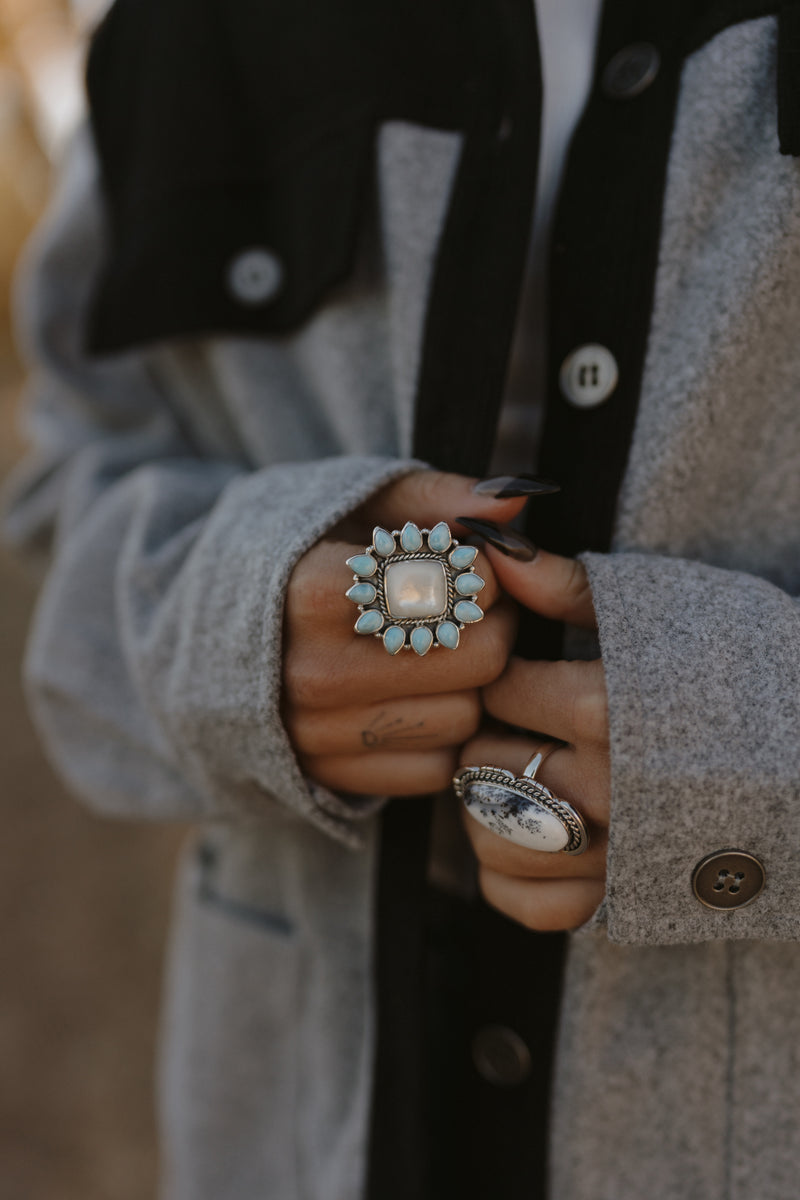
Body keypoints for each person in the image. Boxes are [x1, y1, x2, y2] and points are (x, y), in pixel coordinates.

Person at [5, 1, 800, 1197]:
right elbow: (63, 493)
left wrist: (760, 743)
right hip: (294, 1129)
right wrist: (230, 625)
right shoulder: (180, 25)